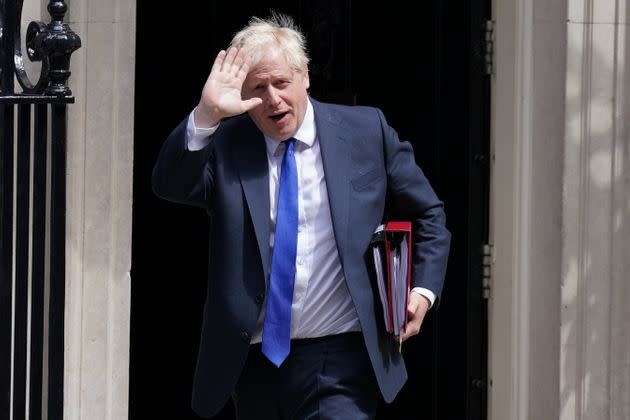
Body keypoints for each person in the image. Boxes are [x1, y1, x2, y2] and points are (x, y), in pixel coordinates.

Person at [152, 12, 451, 420]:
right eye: (258, 88)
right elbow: (169, 184)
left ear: (304, 76)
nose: (273, 98)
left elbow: (429, 213)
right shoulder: (227, 145)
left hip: (341, 357)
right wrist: (206, 114)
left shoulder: (366, 131)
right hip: (253, 362)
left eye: (281, 83)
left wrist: (422, 292)